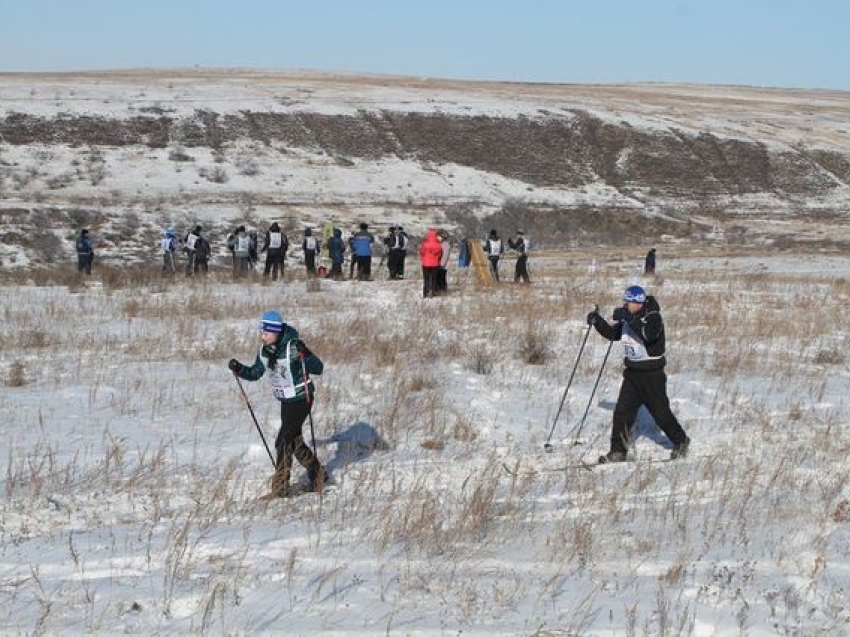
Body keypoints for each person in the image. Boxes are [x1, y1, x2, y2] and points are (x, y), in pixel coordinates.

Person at [228, 311, 328, 499]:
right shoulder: (265, 351)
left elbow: (318, 368)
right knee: (294, 440)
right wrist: (239, 369)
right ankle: (318, 475)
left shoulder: (293, 347)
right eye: (262, 332)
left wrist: (305, 354)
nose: (262, 336)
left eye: (266, 333)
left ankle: (280, 487)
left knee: (283, 440)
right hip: (286, 401)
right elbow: (255, 373)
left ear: (275, 332)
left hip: (302, 398)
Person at [586, 285, 690, 463]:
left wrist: (628, 317)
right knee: (622, 413)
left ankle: (681, 441)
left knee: (660, 413)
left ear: (639, 302)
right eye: (625, 301)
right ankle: (618, 452)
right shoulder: (629, 316)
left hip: (652, 375)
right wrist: (598, 322)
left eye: (630, 302)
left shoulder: (653, 317)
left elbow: (648, 335)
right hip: (633, 373)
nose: (626, 304)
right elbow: (613, 334)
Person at [420, 228, 442, 298]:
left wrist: (424, 257)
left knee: (426, 278)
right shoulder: (438, 244)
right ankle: (432, 292)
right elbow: (440, 254)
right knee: (433, 278)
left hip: (426, 264)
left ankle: (425, 293)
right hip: (435, 264)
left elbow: (422, 252)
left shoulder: (425, 244)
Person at [436, 229, 451, 294]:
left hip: (443, 265)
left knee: (442, 278)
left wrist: (441, 264)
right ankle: (441, 290)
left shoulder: (445, 244)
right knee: (440, 278)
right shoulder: (442, 243)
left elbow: (445, 255)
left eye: (438, 235)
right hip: (441, 264)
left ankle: (443, 290)